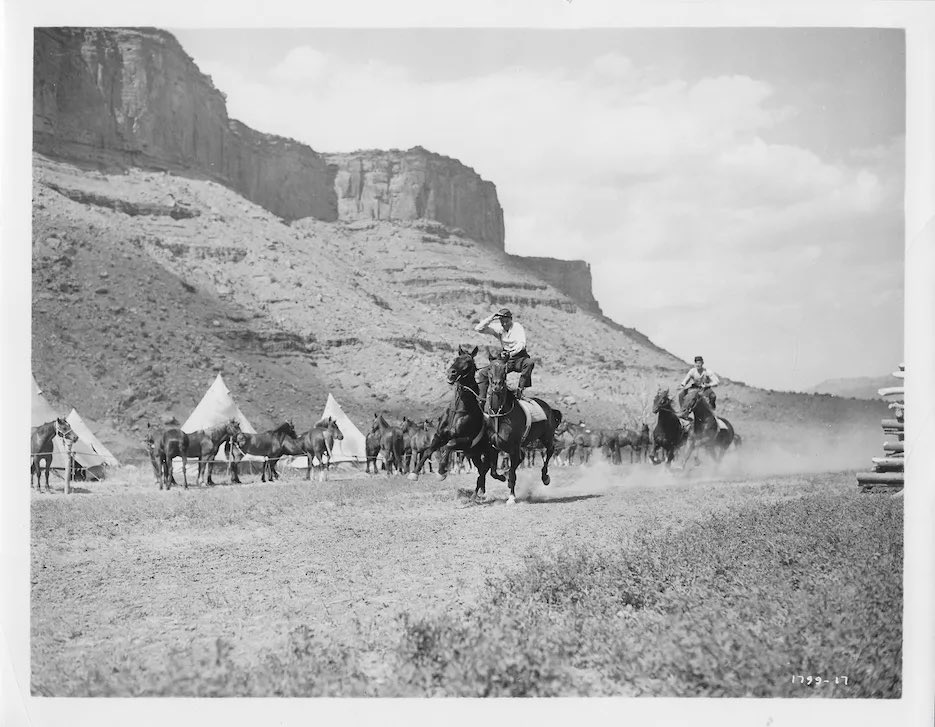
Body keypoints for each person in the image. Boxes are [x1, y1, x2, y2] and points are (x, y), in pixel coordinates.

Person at [474, 308, 535, 402]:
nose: (504, 324)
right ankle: (482, 398)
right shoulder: (499, 328)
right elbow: (478, 328)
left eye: (506, 321)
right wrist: (492, 317)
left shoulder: (517, 327)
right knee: (484, 373)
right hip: (505, 359)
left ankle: (520, 390)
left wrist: (511, 353)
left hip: (519, 357)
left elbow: (521, 344)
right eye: (502, 322)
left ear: (511, 319)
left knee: (529, 363)